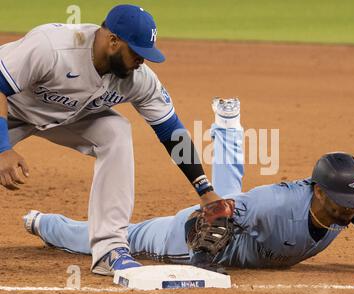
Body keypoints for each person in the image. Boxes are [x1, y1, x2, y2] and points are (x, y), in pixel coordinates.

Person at [23, 98, 354, 280]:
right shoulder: (277, 204)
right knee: (108, 238)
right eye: (345, 203)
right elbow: (218, 212)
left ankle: (228, 127)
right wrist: (200, 257)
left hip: (244, 228)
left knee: (232, 191)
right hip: (181, 238)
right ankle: (42, 222)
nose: (353, 211)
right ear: (319, 191)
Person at [0, 5, 222, 276]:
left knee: (115, 129)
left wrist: (205, 190)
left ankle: (110, 249)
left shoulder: (138, 79)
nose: (142, 61)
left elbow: (171, 131)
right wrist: (3, 148)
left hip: (62, 116)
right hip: (8, 107)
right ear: (113, 40)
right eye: (137, 52)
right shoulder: (52, 47)